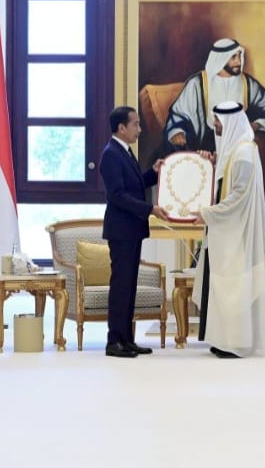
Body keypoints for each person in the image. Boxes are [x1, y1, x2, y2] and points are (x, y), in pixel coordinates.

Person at [191, 101, 265, 359]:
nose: (215, 125)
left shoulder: (244, 153)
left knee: (235, 286)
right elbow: (228, 182)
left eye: (217, 121)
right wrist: (213, 161)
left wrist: (207, 214)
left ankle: (237, 343)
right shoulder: (238, 151)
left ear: (228, 123)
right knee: (225, 284)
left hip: (238, 233)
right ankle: (224, 339)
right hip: (229, 231)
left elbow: (238, 196)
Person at [98, 106, 165, 358]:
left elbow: (135, 185)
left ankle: (126, 339)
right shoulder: (111, 154)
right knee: (121, 286)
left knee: (129, 286)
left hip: (132, 230)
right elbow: (117, 196)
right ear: (121, 128)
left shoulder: (124, 152)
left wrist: (153, 173)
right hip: (122, 230)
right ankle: (114, 340)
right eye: (135, 124)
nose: (140, 129)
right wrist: (151, 209)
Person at [162, 38, 265, 154]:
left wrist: (256, 125)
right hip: (203, 145)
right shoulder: (198, 83)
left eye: (240, 56)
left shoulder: (248, 84)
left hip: (236, 146)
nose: (239, 62)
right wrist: (176, 131)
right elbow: (179, 113)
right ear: (221, 59)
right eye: (233, 57)